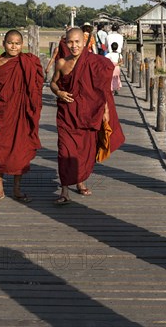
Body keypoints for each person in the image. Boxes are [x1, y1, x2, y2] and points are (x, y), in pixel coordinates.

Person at [50, 28, 125, 205]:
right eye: (70, 42)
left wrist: (105, 111)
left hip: (89, 113)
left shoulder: (95, 62)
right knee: (65, 151)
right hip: (67, 114)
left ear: (84, 42)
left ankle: (80, 181)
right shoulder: (61, 63)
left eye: (77, 42)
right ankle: (64, 190)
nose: (74, 46)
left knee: (85, 150)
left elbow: (102, 90)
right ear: (65, 43)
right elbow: (53, 83)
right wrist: (59, 92)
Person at [0, 29, 44, 204]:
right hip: (0, 114)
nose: (14, 46)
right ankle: (0, 189)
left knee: (19, 152)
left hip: (21, 115)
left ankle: (17, 189)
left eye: (17, 43)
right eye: (10, 42)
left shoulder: (28, 62)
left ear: (22, 45)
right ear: (3, 44)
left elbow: (36, 88)